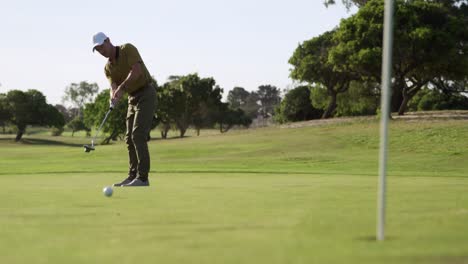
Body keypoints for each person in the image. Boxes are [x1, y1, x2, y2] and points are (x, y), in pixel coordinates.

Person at [92, 32, 156, 187]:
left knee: (138, 134)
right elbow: (113, 87)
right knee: (129, 138)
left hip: (146, 93)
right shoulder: (108, 67)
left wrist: (121, 88)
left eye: (102, 47)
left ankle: (143, 178)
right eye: (98, 50)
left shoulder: (127, 49)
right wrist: (112, 97)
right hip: (131, 99)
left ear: (108, 41)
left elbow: (137, 71)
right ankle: (132, 176)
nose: (101, 51)